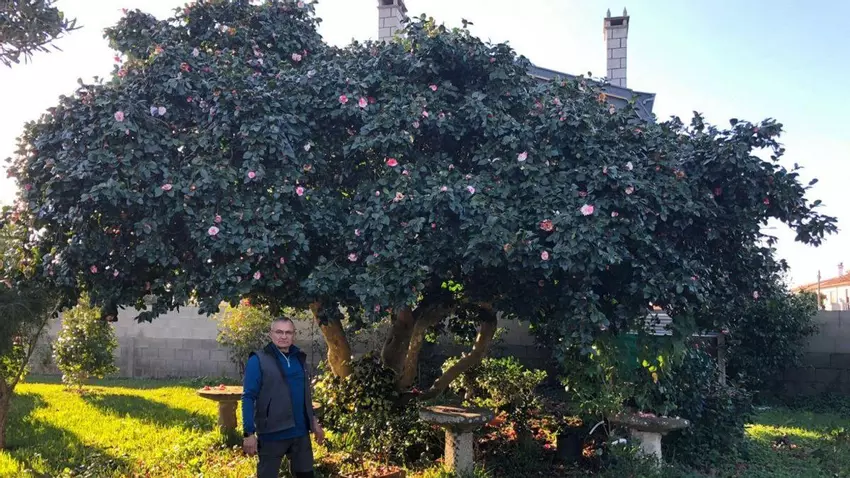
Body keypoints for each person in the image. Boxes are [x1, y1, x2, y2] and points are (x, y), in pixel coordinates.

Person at [242, 316, 325, 478]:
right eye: (279, 332)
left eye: (288, 332)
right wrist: (248, 433)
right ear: (271, 334)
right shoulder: (258, 360)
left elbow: (305, 394)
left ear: (294, 335)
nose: (283, 336)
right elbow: (248, 397)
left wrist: (313, 421)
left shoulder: (299, 357)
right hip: (272, 433)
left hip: (300, 433)